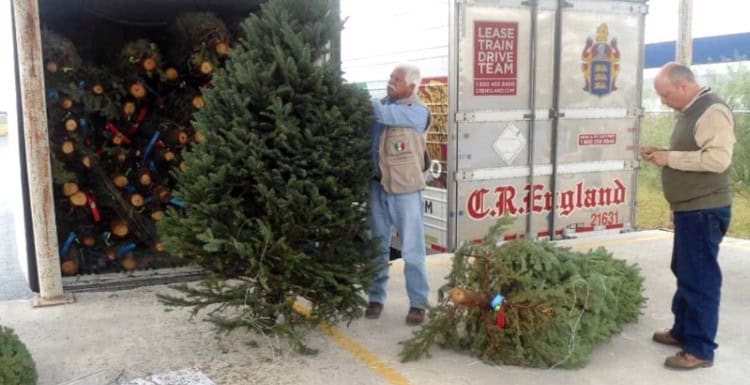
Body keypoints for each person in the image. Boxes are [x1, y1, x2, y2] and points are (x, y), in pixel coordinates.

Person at [641, 62, 735, 370]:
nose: (663, 101)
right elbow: (694, 151)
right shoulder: (691, 110)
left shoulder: (712, 111)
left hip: (704, 209)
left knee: (700, 277)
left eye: (665, 95)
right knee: (684, 268)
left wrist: (670, 158)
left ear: (683, 86)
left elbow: (718, 159)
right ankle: (683, 330)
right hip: (690, 208)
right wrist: (664, 153)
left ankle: (699, 349)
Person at [365, 63, 430, 326]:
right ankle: (376, 297)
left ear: (411, 86)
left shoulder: (417, 112)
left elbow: (384, 114)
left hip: (405, 189)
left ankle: (418, 304)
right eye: (390, 76)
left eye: (396, 78)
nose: (390, 81)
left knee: (412, 250)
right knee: (377, 246)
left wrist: (364, 100)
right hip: (377, 186)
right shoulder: (382, 105)